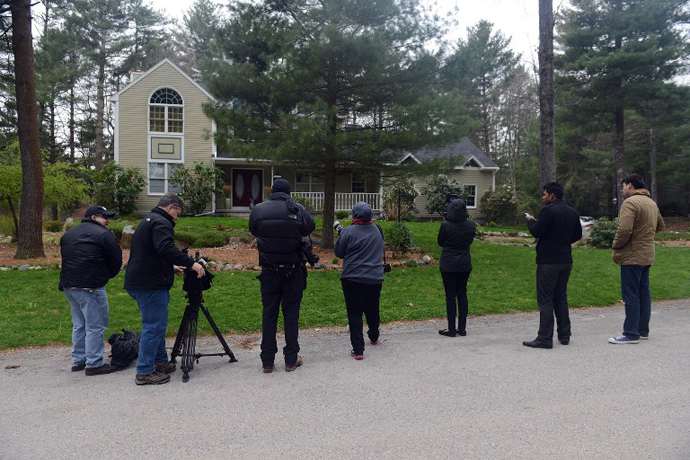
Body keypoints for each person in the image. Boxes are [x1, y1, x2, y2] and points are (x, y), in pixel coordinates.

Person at [125, 194, 205, 385]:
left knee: (157, 324)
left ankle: (160, 361)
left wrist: (170, 267)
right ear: (170, 207)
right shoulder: (161, 222)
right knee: (154, 326)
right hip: (149, 284)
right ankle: (144, 371)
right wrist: (192, 264)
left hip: (143, 279)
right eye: (178, 212)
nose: (177, 217)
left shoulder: (149, 220)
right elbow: (165, 248)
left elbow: (149, 252)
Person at [249, 178, 315, 373]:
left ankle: (267, 361)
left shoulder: (259, 210)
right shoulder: (297, 209)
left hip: (269, 271)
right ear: (289, 192)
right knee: (291, 315)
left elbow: (254, 230)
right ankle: (290, 359)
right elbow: (309, 227)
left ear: (272, 191)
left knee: (269, 314)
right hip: (293, 270)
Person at [60, 205, 122, 375]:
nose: (107, 220)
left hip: (69, 285)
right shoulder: (104, 234)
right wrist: (106, 276)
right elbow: (116, 259)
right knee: (96, 325)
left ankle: (78, 360)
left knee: (79, 324)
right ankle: (94, 364)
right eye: (104, 217)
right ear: (94, 217)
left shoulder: (69, 234)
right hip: (91, 286)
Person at [523, 182, 582, 349]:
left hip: (549, 260)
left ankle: (544, 338)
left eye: (544, 194)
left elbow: (537, 231)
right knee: (560, 297)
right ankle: (564, 335)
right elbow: (577, 234)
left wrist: (531, 221)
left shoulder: (548, 211)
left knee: (546, 299)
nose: (543, 197)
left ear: (552, 196)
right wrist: (562, 240)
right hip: (565, 259)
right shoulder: (572, 210)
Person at [608, 174, 665, 344]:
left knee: (631, 294)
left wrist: (616, 244)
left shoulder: (630, 202)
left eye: (623, 186)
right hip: (647, 254)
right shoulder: (651, 203)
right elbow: (661, 226)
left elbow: (624, 229)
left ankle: (631, 333)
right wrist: (645, 235)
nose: (622, 189)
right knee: (643, 293)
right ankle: (642, 330)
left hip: (632, 255)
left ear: (630, 186)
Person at [334, 202, 385, 360]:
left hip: (352, 278)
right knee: (372, 307)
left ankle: (358, 350)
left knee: (354, 312)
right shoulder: (377, 230)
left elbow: (339, 253)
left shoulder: (348, 232)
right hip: (375, 277)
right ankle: (374, 336)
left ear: (355, 215)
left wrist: (341, 235)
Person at [437, 199, 476, 337]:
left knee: (450, 296)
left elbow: (440, 242)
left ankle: (451, 328)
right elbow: (470, 241)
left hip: (448, 264)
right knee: (462, 294)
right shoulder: (471, 225)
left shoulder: (446, 225)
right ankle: (462, 328)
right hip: (464, 263)